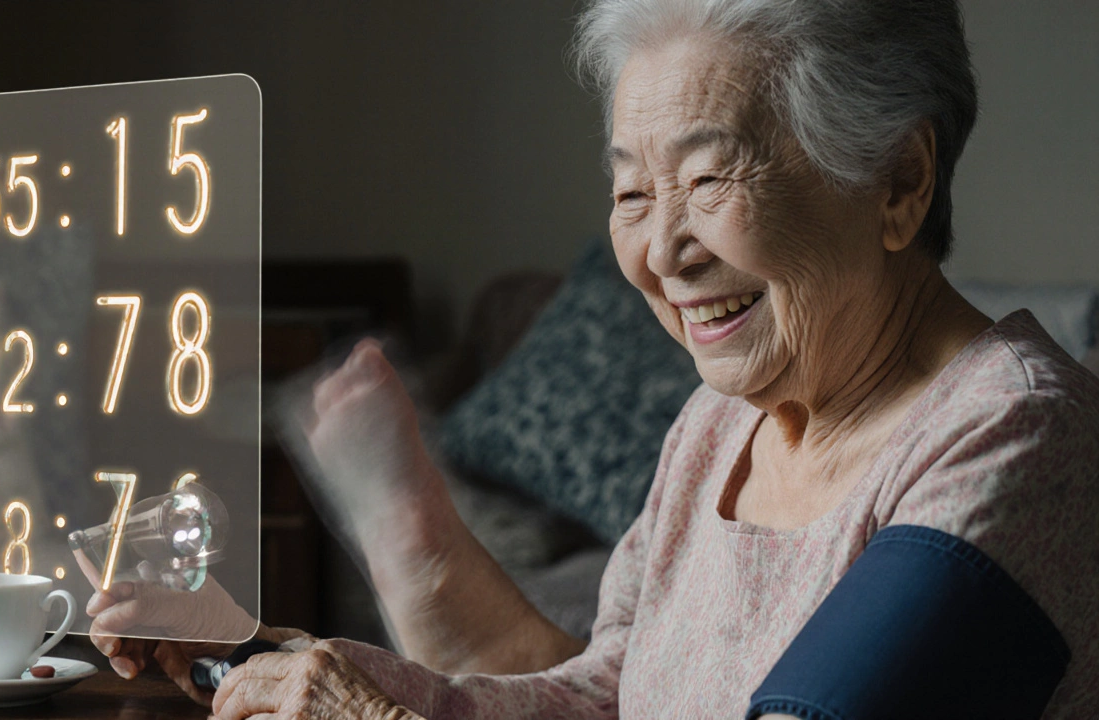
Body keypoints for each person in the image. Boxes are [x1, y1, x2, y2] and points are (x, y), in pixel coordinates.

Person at [88, 0, 1099, 717]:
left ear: (897, 182)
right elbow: (600, 695)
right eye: (629, 194)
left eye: (707, 178)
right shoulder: (722, 425)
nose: (660, 252)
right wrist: (260, 661)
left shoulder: (1017, 442)